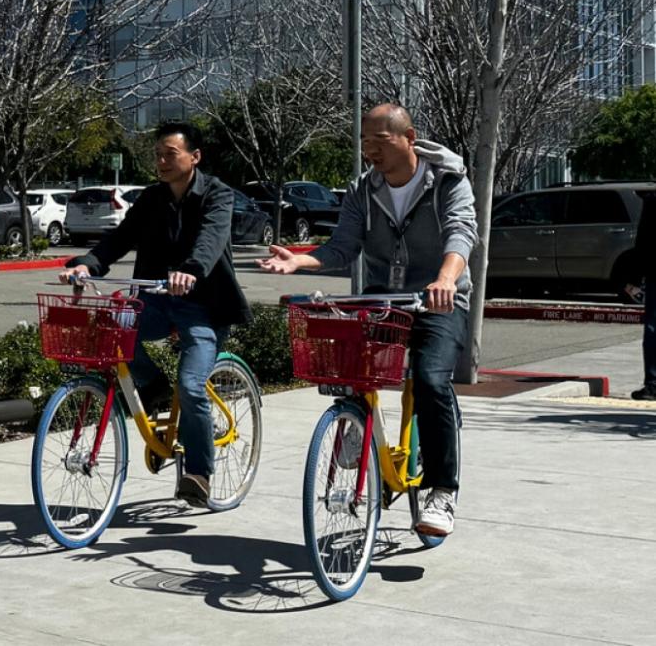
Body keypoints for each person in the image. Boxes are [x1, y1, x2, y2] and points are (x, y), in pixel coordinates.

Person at [258, 103, 478, 536]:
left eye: (381, 140)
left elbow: (461, 232)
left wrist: (446, 280)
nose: (370, 150)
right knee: (349, 371)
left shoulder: (449, 180)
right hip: (385, 298)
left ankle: (442, 492)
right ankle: (356, 425)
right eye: (365, 141)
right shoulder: (364, 188)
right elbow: (342, 247)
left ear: (409, 138)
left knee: (432, 381)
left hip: (439, 298)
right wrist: (300, 261)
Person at [59, 121, 251, 507]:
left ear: (194, 157)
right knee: (113, 329)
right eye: (158, 154)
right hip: (159, 300)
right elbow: (119, 239)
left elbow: (211, 240)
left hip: (205, 307)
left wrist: (191, 271)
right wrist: (87, 265)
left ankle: (199, 473)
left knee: (192, 386)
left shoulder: (217, 195)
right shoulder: (151, 199)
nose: (162, 161)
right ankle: (153, 386)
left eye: (170, 154)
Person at [627, 191, 655, 401]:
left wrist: (634, 279)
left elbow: (643, 241)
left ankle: (653, 384)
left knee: (654, 329)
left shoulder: (652, 202)